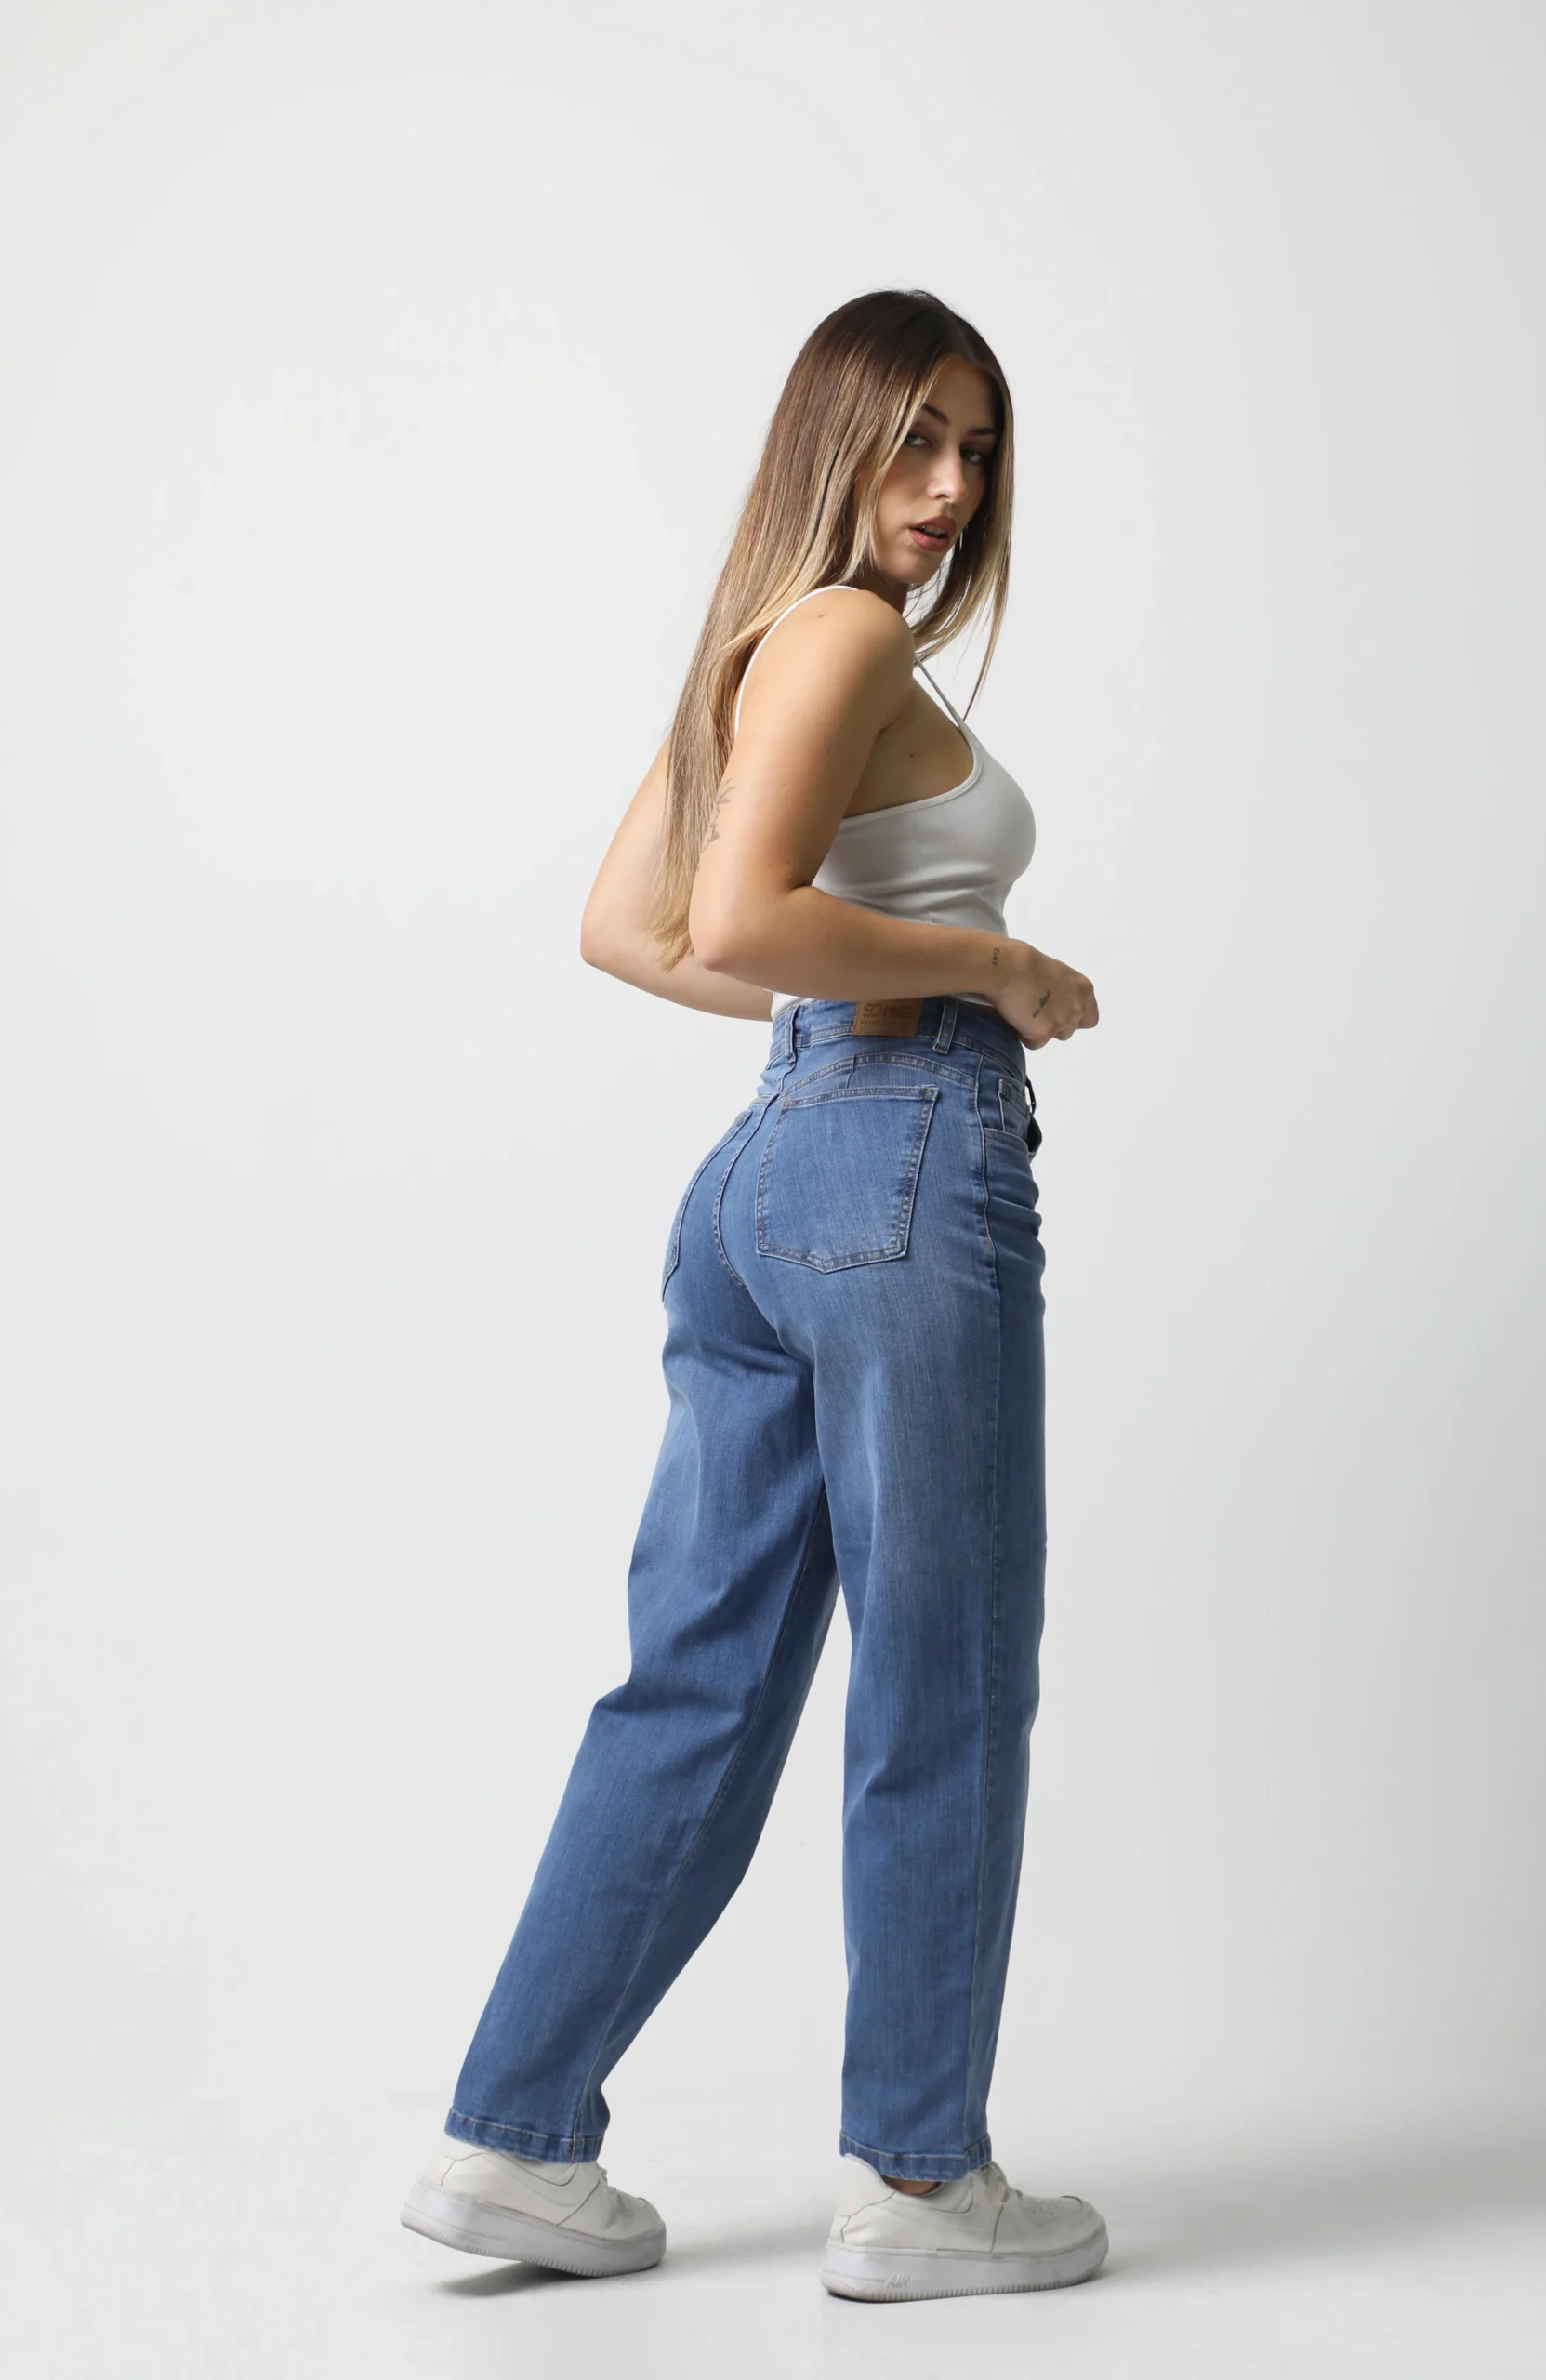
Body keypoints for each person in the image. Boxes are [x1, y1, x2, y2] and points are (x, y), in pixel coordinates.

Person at [400, 289, 1103, 2302]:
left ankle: (512, 2137)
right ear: (836, 439)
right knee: (942, 1671)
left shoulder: (752, 643)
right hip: (903, 1159)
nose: (951, 487)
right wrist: (984, 972)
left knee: (698, 1673)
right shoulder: (850, 636)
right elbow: (727, 914)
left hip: (764, 1176)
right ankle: (919, 2182)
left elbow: (633, 929)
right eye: (916, 439)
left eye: (978, 448)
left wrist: (844, 1002)